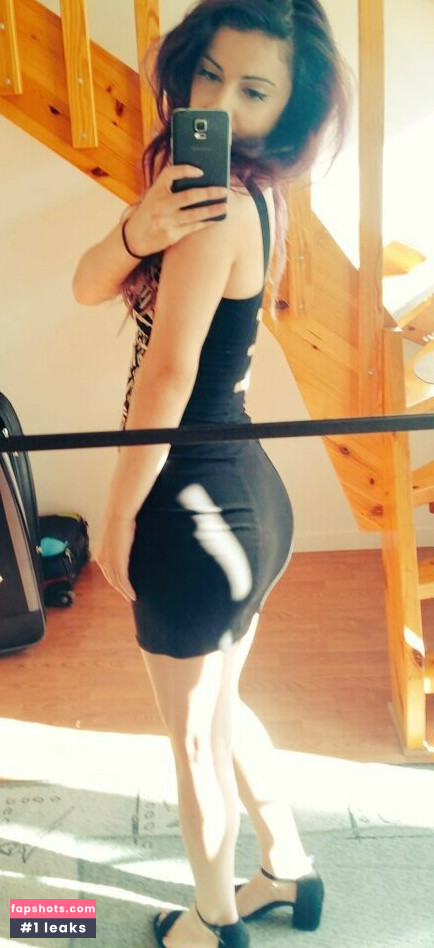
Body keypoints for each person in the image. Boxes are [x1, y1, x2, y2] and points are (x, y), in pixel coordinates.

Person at [73, 2, 349, 946]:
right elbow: (85, 283)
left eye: (254, 90)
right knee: (222, 709)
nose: (221, 103)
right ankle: (288, 871)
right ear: (186, 69)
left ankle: (211, 920)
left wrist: (118, 516)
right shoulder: (242, 195)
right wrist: (137, 226)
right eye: (209, 76)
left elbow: (168, 374)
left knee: (194, 737)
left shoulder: (221, 204)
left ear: (287, 110)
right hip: (245, 495)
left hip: (191, 507)